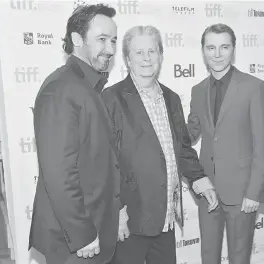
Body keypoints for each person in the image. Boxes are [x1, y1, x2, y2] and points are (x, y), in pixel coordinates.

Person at [101, 25, 218, 264]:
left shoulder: (171, 98)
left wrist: (199, 179)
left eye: (152, 51)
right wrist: (116, 211)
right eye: (139, 52)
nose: (146, 58)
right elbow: (104, 162)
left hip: (165, 216)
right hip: (130, 219)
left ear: (161, 56)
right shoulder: (111, 99)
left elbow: (182, 148)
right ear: (127, 59)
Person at [28, 4, 120, 264]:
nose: (111, 49)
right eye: (101, 39)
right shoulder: (61, 88)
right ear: (77, 39)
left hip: (94, 228)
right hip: (75, 242)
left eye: (113, 40)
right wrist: (82, 235)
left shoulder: (88, 86)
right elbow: (59, 173)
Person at [187, 23, 264, 264]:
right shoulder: (197, 90)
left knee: (239, 257)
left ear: (233, 50)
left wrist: (254, 193)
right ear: (203, 50)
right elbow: (191, 133)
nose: (217, 54)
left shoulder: (253, 87)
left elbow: (263, 146)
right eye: (211, 47)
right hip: (208, 191)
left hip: (242, 191)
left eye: (224, 47)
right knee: (208, 256)